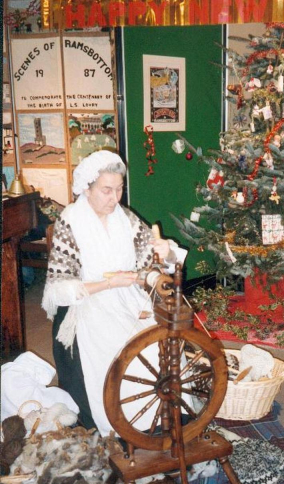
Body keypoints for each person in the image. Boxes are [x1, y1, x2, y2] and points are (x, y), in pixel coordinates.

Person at [42, 150, 187, 436]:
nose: (115, 198)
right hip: (88, 301)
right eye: (106, 190)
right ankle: (124, 428)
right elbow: (60, 287)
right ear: (87, 188)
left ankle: (162, 422)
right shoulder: (70, 222)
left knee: (159, 341)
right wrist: (110, 284)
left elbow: (149, 266)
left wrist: (165, 252)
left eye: (119, 189)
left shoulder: (126, 219)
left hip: (127, 296)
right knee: (115, 349)